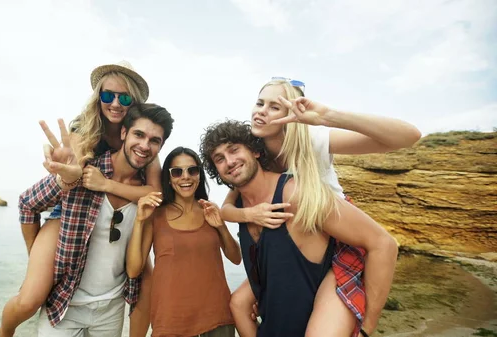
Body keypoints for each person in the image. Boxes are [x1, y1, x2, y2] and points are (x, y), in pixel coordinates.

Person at [220, 78, 421, 337]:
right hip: (302, 246)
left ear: (291, 114)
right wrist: (249, 214)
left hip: (339, 236)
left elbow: (408, 137)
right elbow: (226, 207)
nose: (261, 111)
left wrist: (329, 116)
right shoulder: (254, 156)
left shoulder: (311, 139)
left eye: (274, 107)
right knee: (239, 303)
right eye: (260, 103)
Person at [0, 61, 159, 337]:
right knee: (31, 298)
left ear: (135, 102)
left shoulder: (141, 144)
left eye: (125, 97)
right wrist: (69, 174)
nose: (116, 103)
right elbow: (68, 179)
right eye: (108, 95)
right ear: (99, 98)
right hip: (69, 212)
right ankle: (5, 331)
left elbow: (155, 193)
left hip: (118, 214)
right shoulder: (83, 133)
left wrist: (106, 183)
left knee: (147, 281)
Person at [200, 120, 399, 336]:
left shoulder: (295, 193)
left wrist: (365, 330)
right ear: (217, 171)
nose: (229, 161)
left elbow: (383, 244)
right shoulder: (239, 206)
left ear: (255, 151)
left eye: (234, 150)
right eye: (219, 159)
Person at [126, 146, 241, 337]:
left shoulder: (209, 210)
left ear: (199, 175)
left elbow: (236, 258)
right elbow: (133, 269)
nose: (185, 177)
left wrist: (220, 226)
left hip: (217, 318)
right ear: (169, 179)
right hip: (170, 322)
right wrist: (139, 221)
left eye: (192, 170)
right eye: (177, 172)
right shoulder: (155, 216)